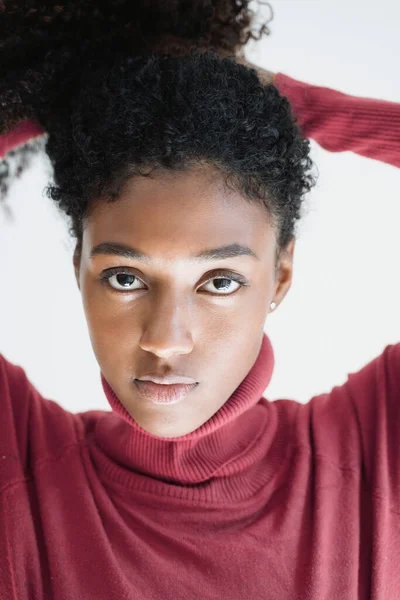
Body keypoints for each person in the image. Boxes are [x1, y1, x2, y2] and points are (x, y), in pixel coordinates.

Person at [0, 2, 399, 599]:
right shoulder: (17, 471)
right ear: (77, 267)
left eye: (219, 281)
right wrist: (54, 97)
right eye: (125, 277)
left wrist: (296, 106)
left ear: (281, 274)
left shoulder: (379, 455)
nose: (165, 338)